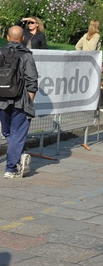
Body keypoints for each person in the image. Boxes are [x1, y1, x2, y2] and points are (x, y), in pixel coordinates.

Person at [0, 26, 38, 179]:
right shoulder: (26, 55)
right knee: (17, 135)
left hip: (1, 100)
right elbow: (32, 80)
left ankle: (18, 155)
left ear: (8, 38)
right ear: (22, 39)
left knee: (7, 132)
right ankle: (11, 168)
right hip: (20, 101)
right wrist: (30, 100)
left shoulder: (0, 52)